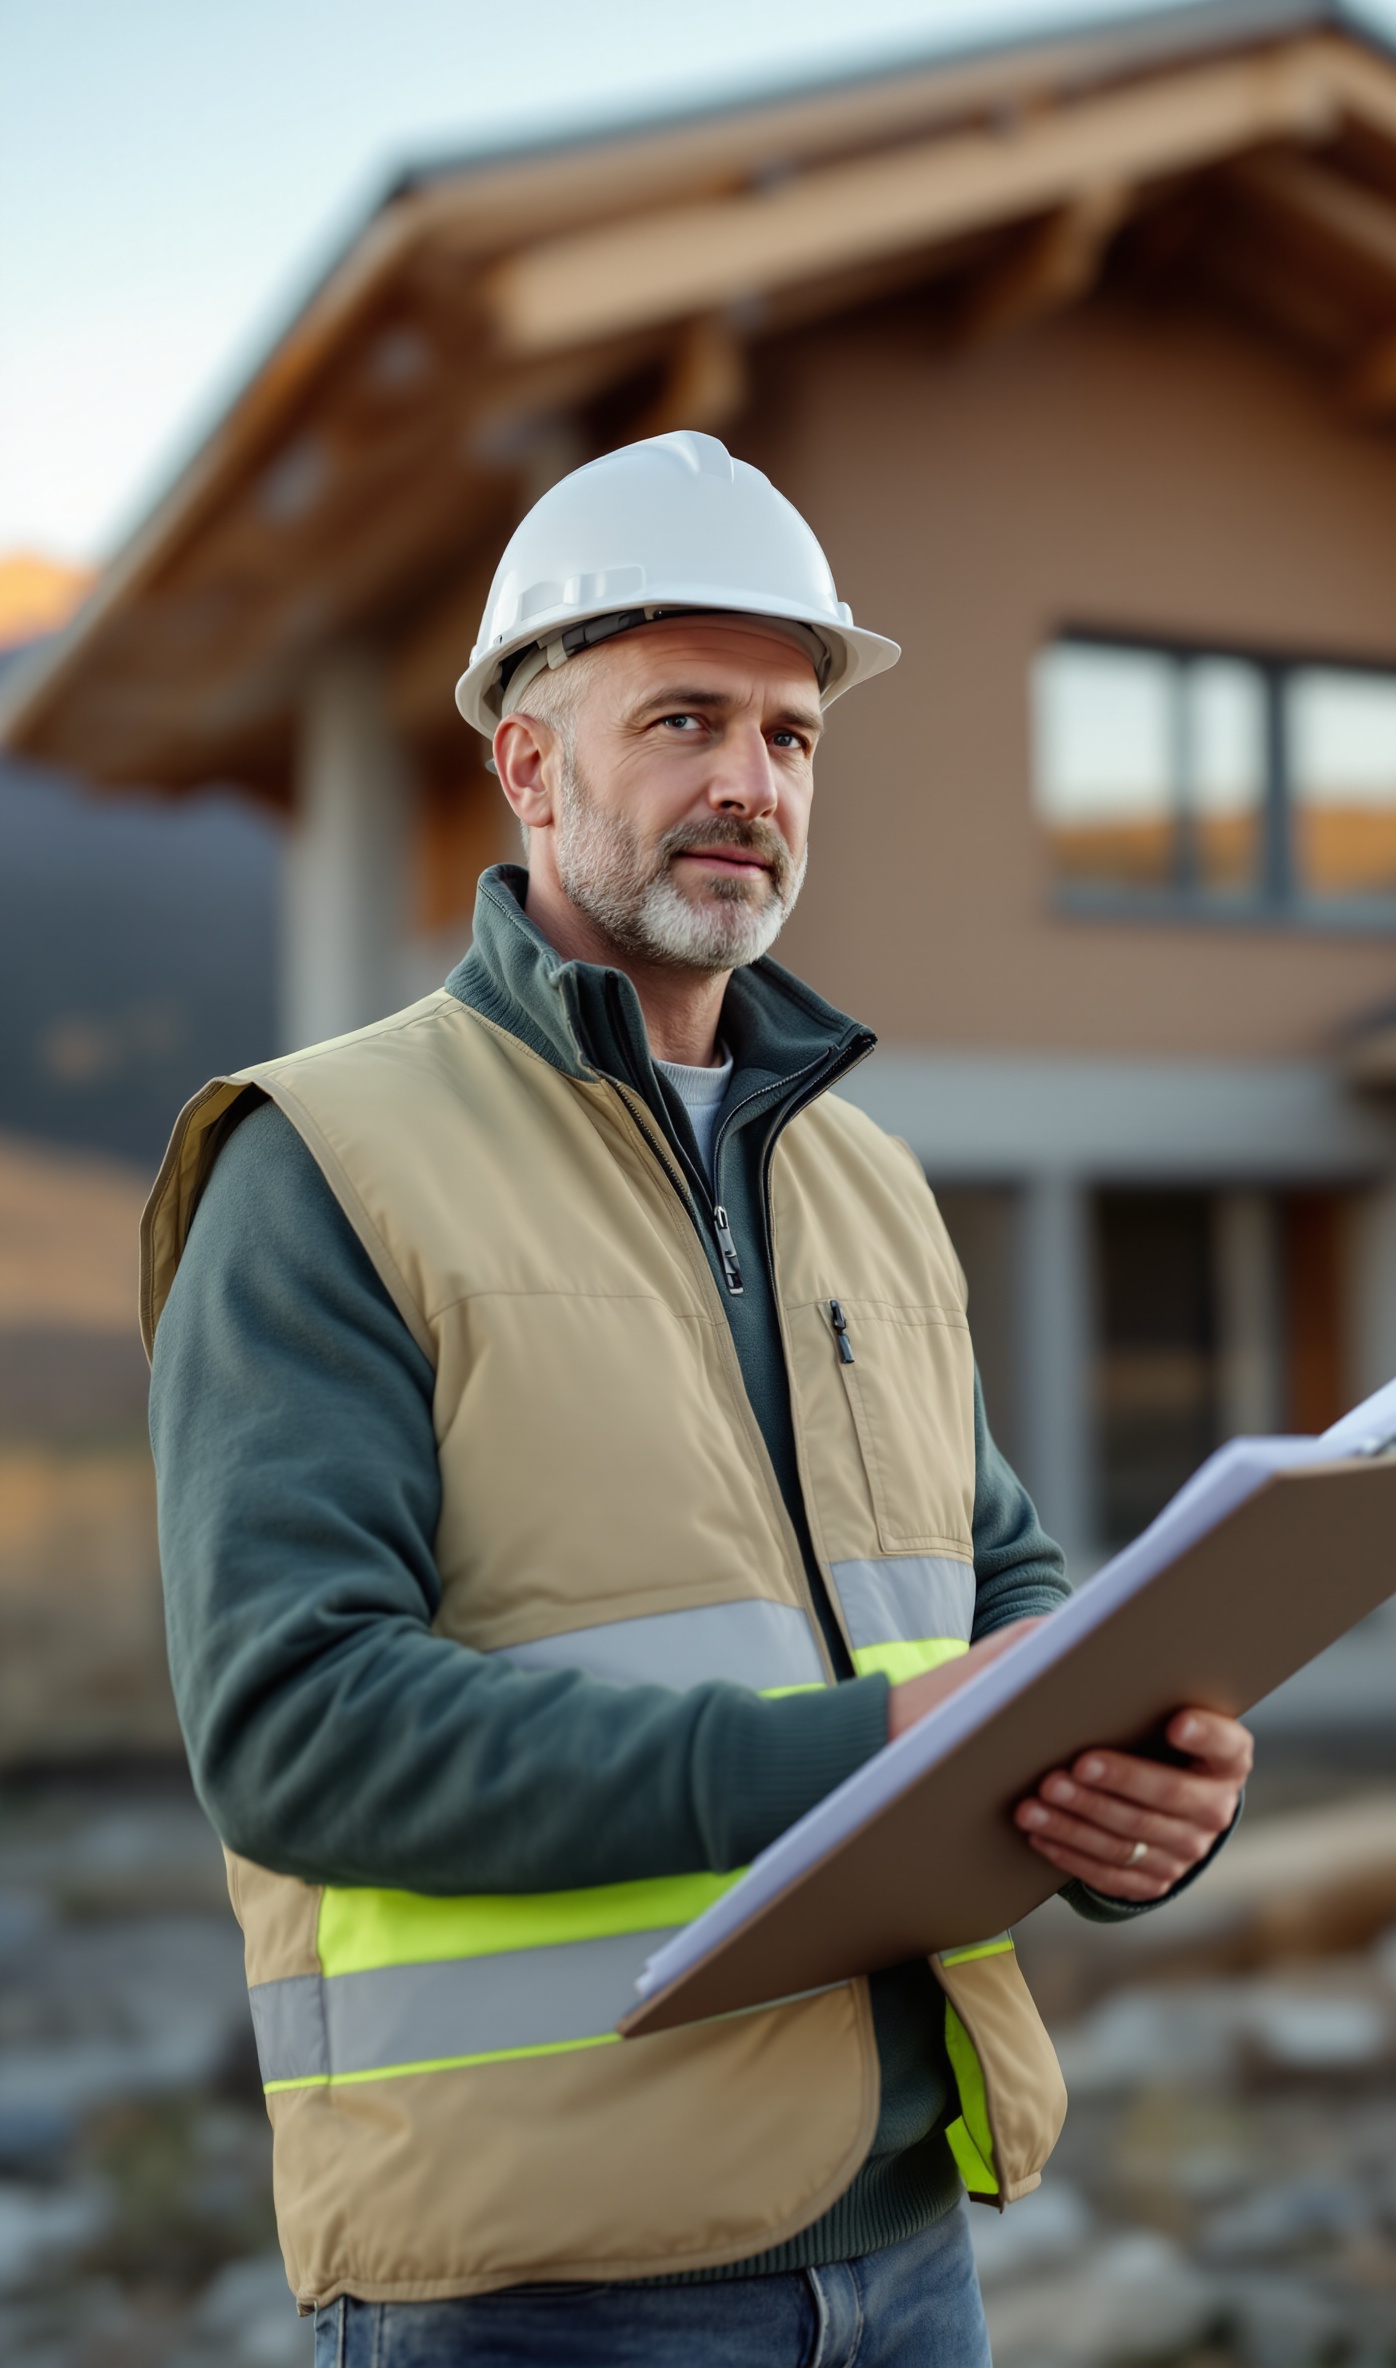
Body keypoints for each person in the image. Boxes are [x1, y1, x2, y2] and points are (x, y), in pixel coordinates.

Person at [146, 431, 1253, 2367]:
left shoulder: (866, 1180)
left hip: (909, 2248)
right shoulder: (320, 1161)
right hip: (530, 2286)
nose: (752, 781)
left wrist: (1133, 1784)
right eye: (683, 721)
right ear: (526, 763)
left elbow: (1000, 1580)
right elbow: (297, 1727)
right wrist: (870, 1751)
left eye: (790, 734)